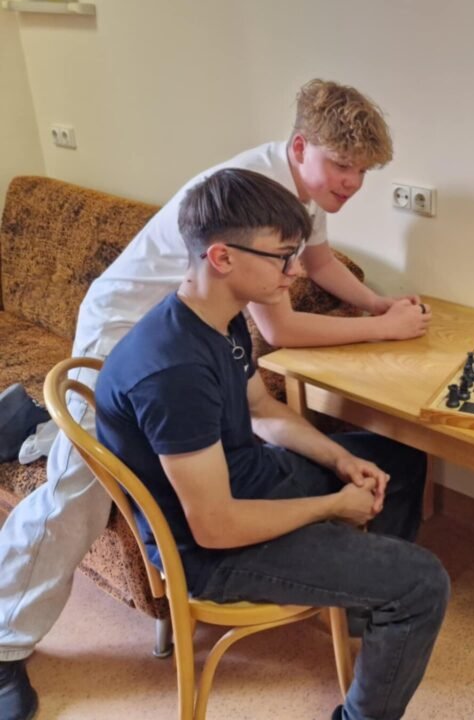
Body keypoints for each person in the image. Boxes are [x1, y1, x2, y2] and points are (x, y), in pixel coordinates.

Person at [0, 80, 431, 720]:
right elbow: (281, 328)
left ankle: (364, 599)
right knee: (77, 493)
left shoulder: (293, 205)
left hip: (199, 330)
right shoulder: (251, 201)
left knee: (376, 458)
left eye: (363, 171)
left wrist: (378, 304)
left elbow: (316, 266)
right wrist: (383, 329)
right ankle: (5, 641)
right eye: (342, 165)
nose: (352, 183)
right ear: (299, 147)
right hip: (127, 331)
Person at [96, 168, 448, 720]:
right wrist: (333, 505)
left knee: (398, 458)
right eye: (282, 258)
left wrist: (342, 459)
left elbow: (262, 410)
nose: (296, 272)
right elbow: (215, 526)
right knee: (422, 584)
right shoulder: (173, 372)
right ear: (222, 257)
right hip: (212, 551)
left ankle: (366, 608)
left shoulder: (219, 317)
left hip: (244, 478)